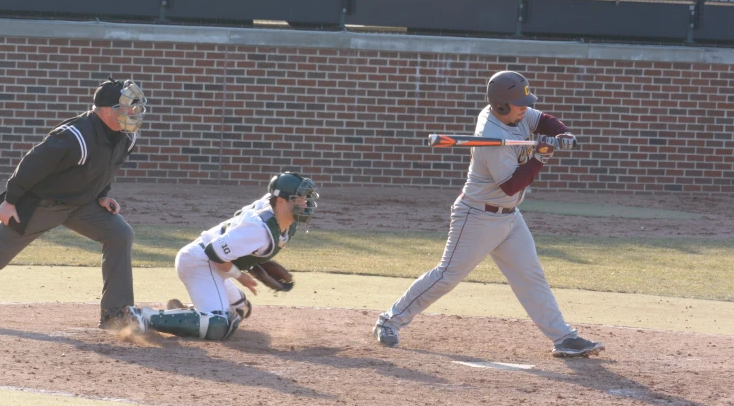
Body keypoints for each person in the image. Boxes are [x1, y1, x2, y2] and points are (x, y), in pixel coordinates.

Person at [372, 70, 605, 358]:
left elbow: (543, 119)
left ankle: (564, 338)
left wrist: (562, 133)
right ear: (502, 106)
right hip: (477, 217)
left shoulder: (514, 113)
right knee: (447, 276)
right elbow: (511, 185)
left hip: (509, 218)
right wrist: (540, 157)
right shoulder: (491, 136)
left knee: (531, 276)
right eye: (520, 105)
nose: (525, 110)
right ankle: (389, 321)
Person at [0, 77, 147, 329]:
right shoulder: (74, 136)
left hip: (81, 204)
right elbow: (31, 165)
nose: (133, 112)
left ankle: (115, 315)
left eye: (134, 107)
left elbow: (106, 168)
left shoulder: (126, 136)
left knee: (120, 234)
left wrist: (103, 194)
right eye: (127, 107)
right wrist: (9, 202)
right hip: (42, 204)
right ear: (107, 110)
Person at [125, 171, 319, 340]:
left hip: (214, 264)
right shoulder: (259, 229)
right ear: (281, 201)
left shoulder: (281, 218)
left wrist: (253, 263)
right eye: (298, 198)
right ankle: (144, 317)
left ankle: (183, 315)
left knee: (241, 310)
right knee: (218, 325)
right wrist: (241, 276)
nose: (304, 203)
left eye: (304, 197)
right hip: (199, 261)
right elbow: (214, 253)